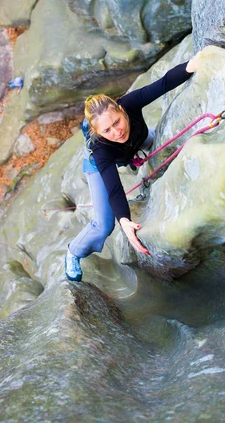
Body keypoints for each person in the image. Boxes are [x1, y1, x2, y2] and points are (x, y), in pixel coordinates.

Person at [65, 54, 200, 282]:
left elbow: (164, 83)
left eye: (117, 122)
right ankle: (73, 252)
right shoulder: (100, 151)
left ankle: (133, 154)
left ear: (121, 109)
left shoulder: (130, 103)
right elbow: (115, 189)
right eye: (107, 130)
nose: (116, 131)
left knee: (165, 140)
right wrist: (124, 221)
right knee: (103, 225)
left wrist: (192, 65)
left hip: (137, 140)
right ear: (98, 133)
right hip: (100, 167)